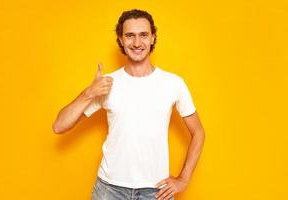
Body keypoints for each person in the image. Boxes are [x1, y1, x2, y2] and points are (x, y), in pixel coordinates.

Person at [52, 9, 205, 200]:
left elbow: (198, 132)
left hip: (155, 192)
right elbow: (59, 126)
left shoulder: (173, 83)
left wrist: (184, 178)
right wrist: (89, 93)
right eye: (130, 36)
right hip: (109, 190)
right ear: (121, 39)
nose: (137, 42)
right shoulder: (106, 84)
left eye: (143, 35)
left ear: (152, 38)